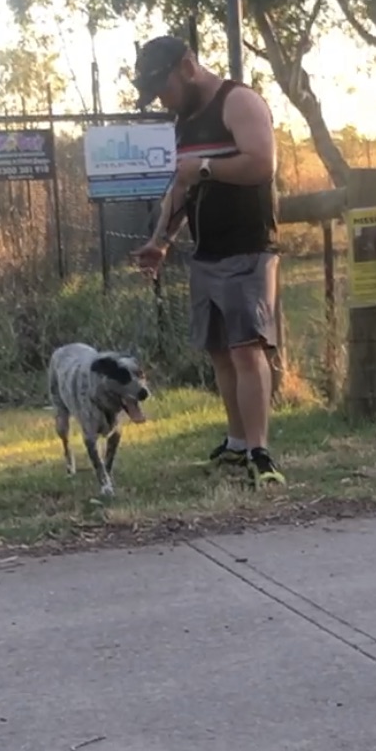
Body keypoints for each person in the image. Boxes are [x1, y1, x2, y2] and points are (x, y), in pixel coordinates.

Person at [132, 36, 284, 487]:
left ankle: (260, 451)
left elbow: (261, 164)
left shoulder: (238, 102)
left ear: (188, 66)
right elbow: (180, 188)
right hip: (207, 252)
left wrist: (204, 168)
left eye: (165, 87)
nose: (164, 99)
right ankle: (237, 444)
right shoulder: (186, 121)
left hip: (247, 248)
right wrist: (161, 240)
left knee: (245, 349)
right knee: (220, 351)